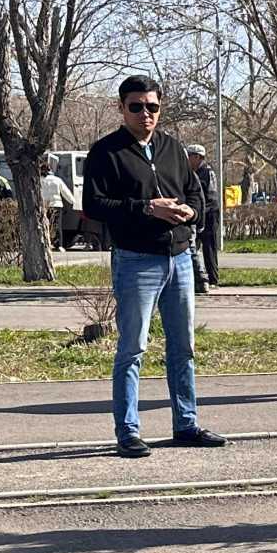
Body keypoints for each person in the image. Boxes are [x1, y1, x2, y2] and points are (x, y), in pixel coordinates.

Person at [83, 74, 227, 458]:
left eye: (152, 107)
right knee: (133, 348)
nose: (145, 114)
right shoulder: (106, 152)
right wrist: (148, 208)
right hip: (136, 261)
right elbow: (95, 206)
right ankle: (128, 431)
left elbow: (195, 192)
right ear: (121, 107)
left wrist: (190, 211)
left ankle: (186, 423)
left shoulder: (172, 148)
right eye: (136, 106)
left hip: (179, 258)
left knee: (183, 347)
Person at [185, 144, 221, 292]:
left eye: (189, 156)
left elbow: (211, 197)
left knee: (209, 246)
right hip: (197, 216)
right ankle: (195, 278)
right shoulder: (190, 173)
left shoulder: (207, 172)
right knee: (192, 248)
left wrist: (200, 212)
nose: (186, 159)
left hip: (210, 214)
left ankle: (212, 278)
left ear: (197, 157)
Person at [39, 160, 68, 251]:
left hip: (44, 205)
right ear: (51, 169)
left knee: (44, 225)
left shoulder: (39, 180)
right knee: (57, 225)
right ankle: (59, 245)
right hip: (57, 205)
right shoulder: (57, 180)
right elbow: (65, 192)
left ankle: (45, 243)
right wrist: (73, 201)